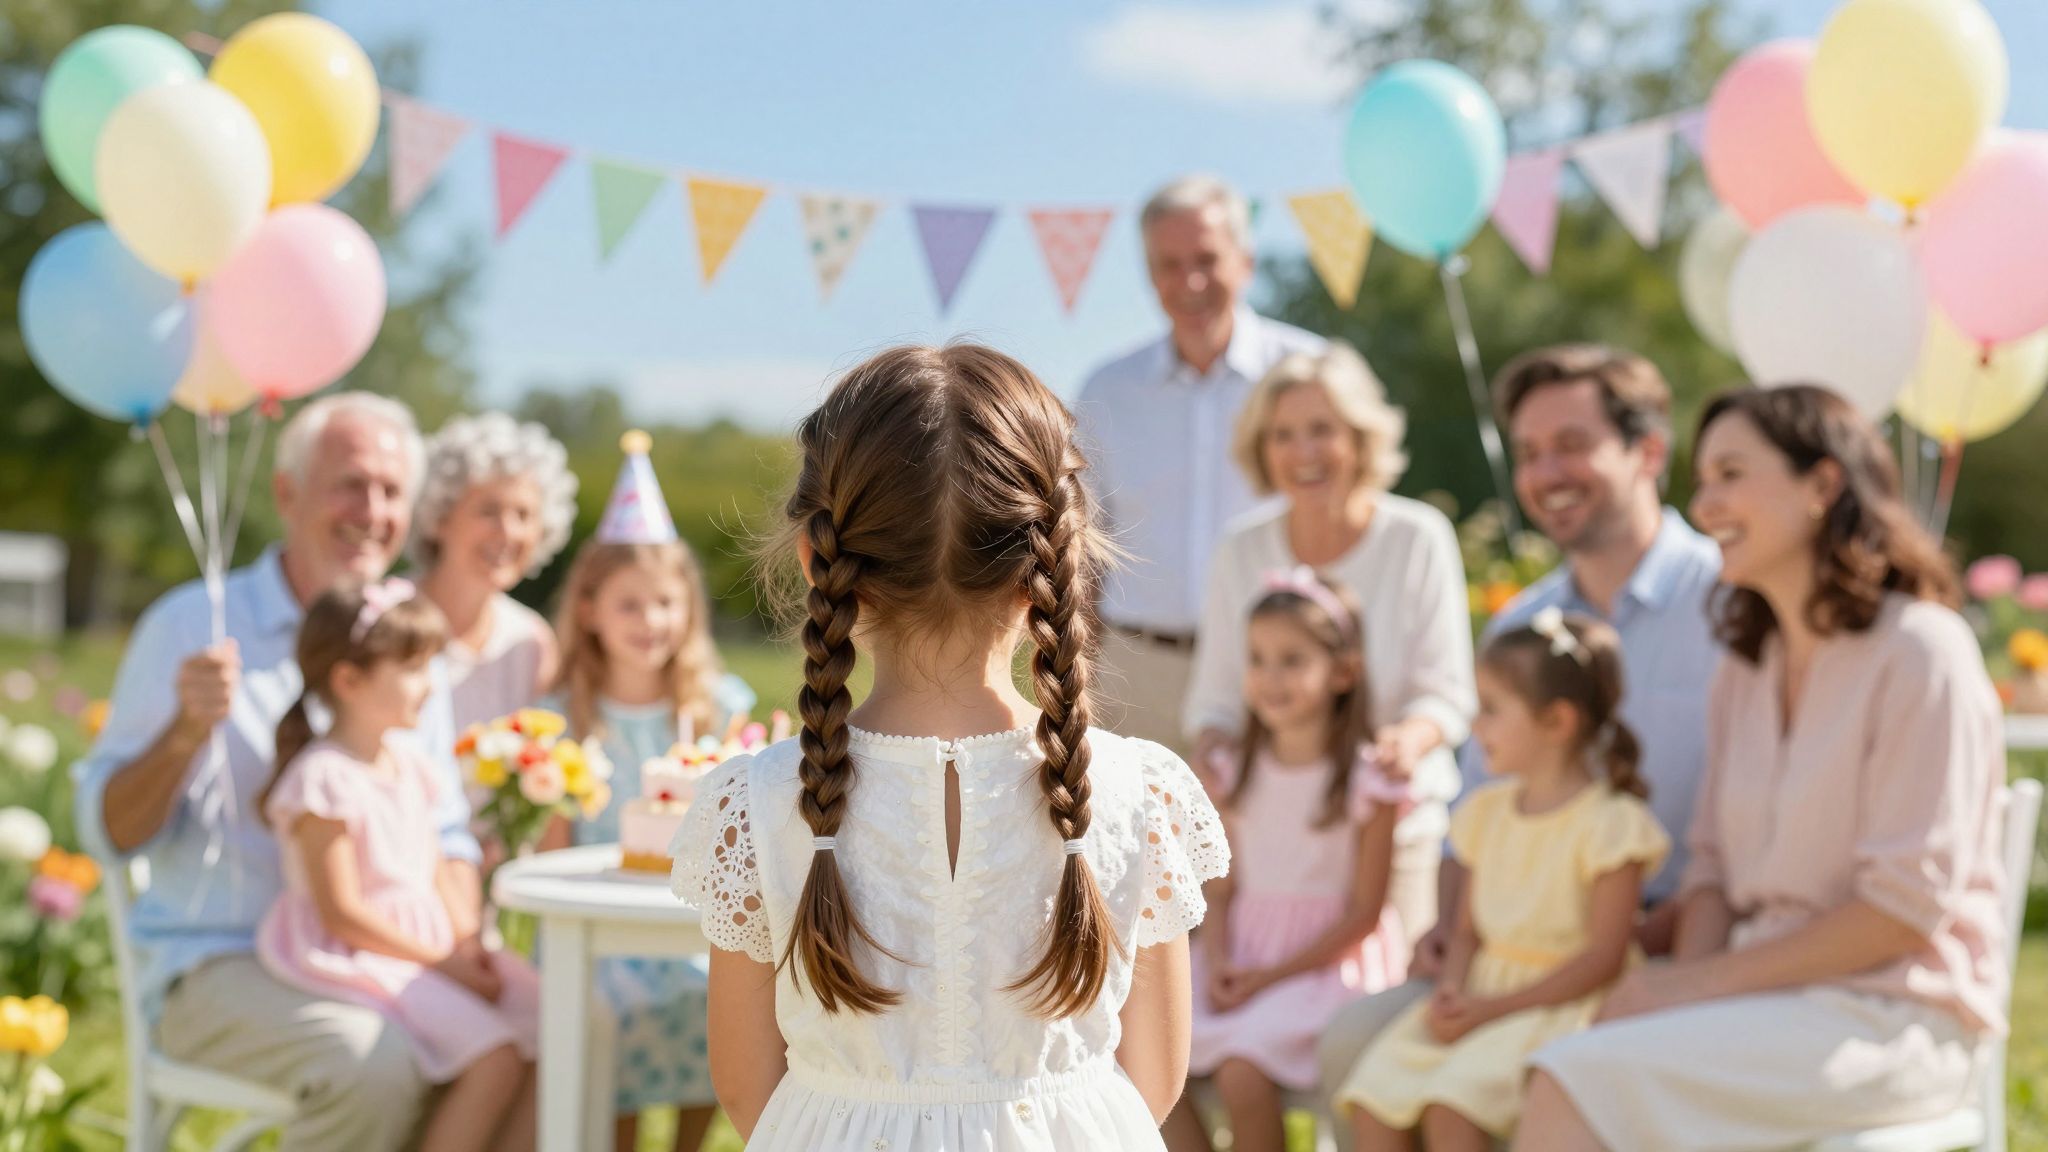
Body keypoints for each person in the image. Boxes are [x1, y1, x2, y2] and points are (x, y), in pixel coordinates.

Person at [671, 345, 1230, 1149]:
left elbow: (746, 1083)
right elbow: (1155, 1077)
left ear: (817, 561)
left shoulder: (752, 804)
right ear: (1053, 562)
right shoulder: (1141, 790)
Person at [1515, 385, 2009, 1151]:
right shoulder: (1746, 670)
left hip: (1889, 1021)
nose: (1705, 504)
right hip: (1761, 1004)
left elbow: (1902, 909)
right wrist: (1677, 999)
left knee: (1572, 1080)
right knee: (1568, 1062)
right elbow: (1710, 869)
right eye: (1702, 480)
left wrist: (1691, 985)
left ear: (1822, 485)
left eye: (1731, 475)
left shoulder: (1922, 652)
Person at [1315, 346, 1721, 1133]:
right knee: (1352, 1047)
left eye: (1572, 445)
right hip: (1513, 951)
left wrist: (1669, 928)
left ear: (1648, 452)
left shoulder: (1726, 603)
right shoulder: (1519, 625)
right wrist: (1446, 933)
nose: (1546, 472)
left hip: (1669, 949)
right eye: (1530, 453)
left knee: (1476, 1098)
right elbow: (1478, 806)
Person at [72, 392, 476, 1149]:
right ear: (286, 493)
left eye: (391, 491)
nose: (373, 509)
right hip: (220, 962)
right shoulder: (190, 625)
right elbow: (106, 831)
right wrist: (184, 734)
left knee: (529, 1033)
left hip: (379, 959)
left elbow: (448, 832)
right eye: (350, 483)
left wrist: (463, 946)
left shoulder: (416, 646)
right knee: (374, 1066)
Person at [1339, 611, 1667, 1150]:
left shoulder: (1613, 825)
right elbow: (1468, 932)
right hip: (1481, 995)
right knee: (1374, 1098)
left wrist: (1490, 1011)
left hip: (1561, 1008)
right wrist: (1452, 992)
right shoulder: (1486, 813)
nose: (1475, 726)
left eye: (1491, 710)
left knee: (1452, 1106)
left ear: (1557, 722)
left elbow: (1604, 958)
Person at [1185, 343, 1472, 942]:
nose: (1303, 453)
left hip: (1393, 832)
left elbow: (1446, 695)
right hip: (1274, 853)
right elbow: (1215, 701)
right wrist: (1212, 751)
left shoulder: (1417, 538)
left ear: (1361, 440)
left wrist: (1405, 743)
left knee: (1374, 1019)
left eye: (1322, 430)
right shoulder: (1241, 550)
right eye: (1283, 435)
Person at [257, 580, 539, 1152]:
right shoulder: (325, 779)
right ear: (349, 681)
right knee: (496, 1057)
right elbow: (342, 913)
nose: (430, 685)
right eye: (412, 668)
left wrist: (465, 941)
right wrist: (446, 964)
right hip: (364, 955)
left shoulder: (411, 766)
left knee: (549, 1019)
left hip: (429, 948)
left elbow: (435, 865)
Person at [537, 432, 755, 1152]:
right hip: (602, 929)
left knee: (713, 1002)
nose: (651, 623)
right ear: (591, 609)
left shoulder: (716, 705)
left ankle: (690, 1143)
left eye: (666, 603)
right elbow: (551, 848)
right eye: (630, 605)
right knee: (616, 1014)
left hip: (689, 924)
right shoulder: (566, 717)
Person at [1076, 174, 1326, 748]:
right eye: (1169, 264)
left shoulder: (1310, 372)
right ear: (1149, 273)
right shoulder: (1106, 391)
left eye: (1207, 259)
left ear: (1246, 262)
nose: (1189, 281)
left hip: (1280, 670)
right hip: (1139, 674)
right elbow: (1083, 544)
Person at [1164, 571, 1410, 1152]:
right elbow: (1221, 889)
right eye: (1258, 659)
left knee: (1242, 1071)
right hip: (1241, 954)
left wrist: (1268, 979)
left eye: (1292, 660)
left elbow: (1365, 914)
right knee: (1149, 1050)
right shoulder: (1231, 772)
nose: (1269, 678)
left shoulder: (1370, 782)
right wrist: (1222, 958)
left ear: (1343, 672)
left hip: (1325, 968)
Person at [412, 412, 579, 731]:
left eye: (524, 514)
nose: (507, 532)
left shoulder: (531, 642)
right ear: (441, 516)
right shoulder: (383, 613)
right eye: (488, 511)